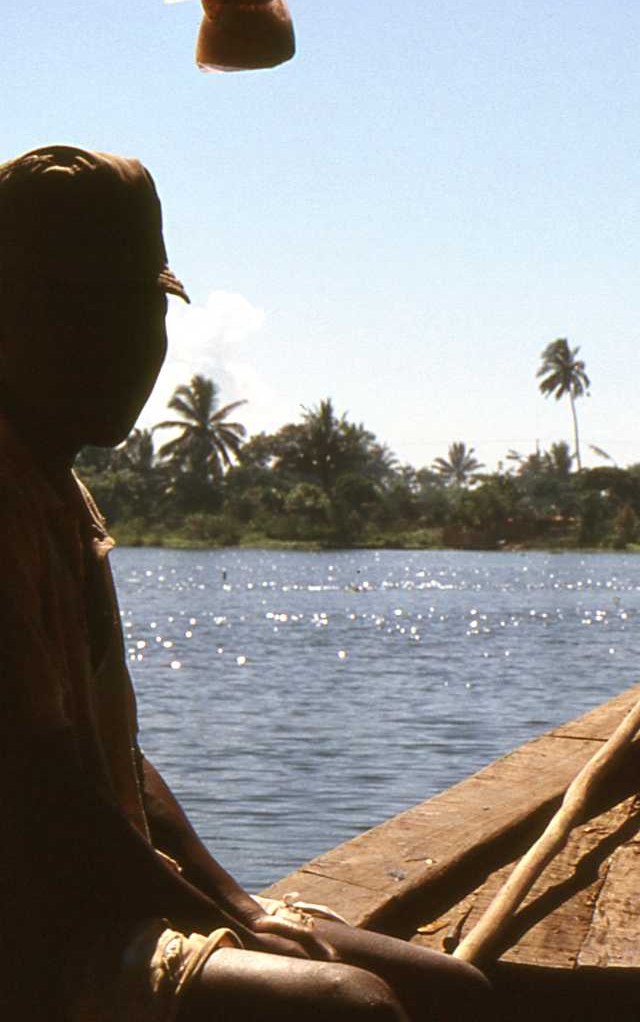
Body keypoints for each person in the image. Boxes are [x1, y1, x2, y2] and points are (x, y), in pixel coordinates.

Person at [0, 145, 491, 1020]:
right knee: (356, 1007)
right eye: (78, 311)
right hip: (33, 945)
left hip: (98, 908)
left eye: (138, 312)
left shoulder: (60, 491)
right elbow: (51, 803)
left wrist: (240, 903)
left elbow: (119, 766)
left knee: (460, 992)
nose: (123, 348)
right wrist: (212, 915)